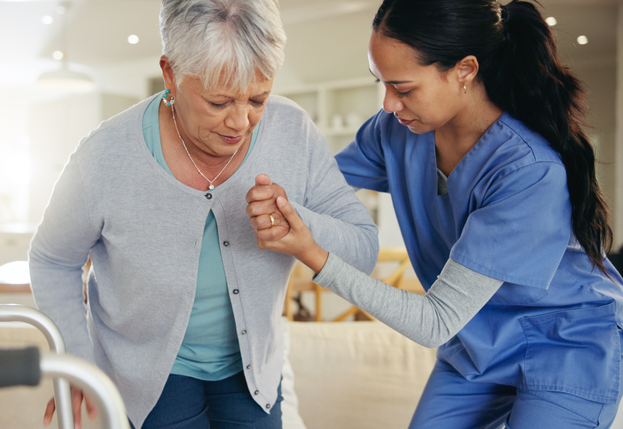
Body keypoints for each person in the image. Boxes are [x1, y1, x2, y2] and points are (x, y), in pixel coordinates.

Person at [252, 0, 623, 428]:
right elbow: (313, 189)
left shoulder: (528, 172)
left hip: (565, 346)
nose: (389, 103)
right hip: (475, 345)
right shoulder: (395, 130)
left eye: (404, 88)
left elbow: (435, 322)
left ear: (464, 70)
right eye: (382, 84)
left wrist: (313, 254)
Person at [28, 0, 379, 427]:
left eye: (258, 99)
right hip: (146, 375)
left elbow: (362, 249)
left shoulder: (293, 131)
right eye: (218, 102)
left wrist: (303, 228)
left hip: (252, 372)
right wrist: (78, 364)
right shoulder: (103, 156)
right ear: (171, 74)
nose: (241, 122)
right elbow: (52, 260)